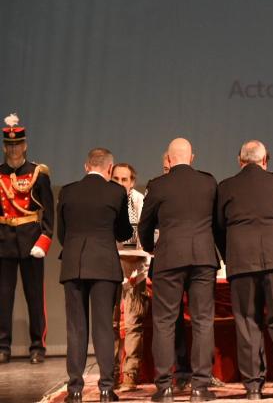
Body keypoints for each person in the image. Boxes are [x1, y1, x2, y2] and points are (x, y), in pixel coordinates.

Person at [215, 140, 273, 400]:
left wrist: (229, 255)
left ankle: (253, 386)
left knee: (247, 322)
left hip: (242, 262)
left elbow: (218, 226)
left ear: (239, 160)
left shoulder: (226, 186)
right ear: (265, 160)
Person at [139, 138, 220, 402]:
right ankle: (200, 388)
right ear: (192, 157)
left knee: (163, 322)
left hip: (169, 258)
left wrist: (152, 248)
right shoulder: (209, 182)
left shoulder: (158, 185)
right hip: (203, 258)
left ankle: (164, 388)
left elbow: (144, 225)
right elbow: (218, 223)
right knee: (202, 321)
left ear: (169, 159)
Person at [58, 148, 133, 402]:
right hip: (103, 264)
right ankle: (106, 388)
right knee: (103, 327)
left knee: (76, 328)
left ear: (85, 166)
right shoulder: (116, 191)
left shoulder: (67, 191)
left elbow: (62, 235)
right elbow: (123, 232)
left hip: (74, 264)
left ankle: (75, 389)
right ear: (110, 169)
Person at [0, 113, 54, 364]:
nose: (13, 149)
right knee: (3, 298)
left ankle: (37, 346)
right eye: (9, 145)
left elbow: (49, 216)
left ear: (25, 145)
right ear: (4, 146)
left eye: (17, 144)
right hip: (3, 241)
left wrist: (43, 242)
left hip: (31, 240)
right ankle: (3, 346)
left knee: (35, 296)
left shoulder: (37, 173)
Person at [110, 163, 149, 391]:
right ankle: (112, 372)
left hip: (135, 268)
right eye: (116, 178)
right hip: (112, 267)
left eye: (124, 179)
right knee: (112, 324)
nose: (120, 183)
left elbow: (147, 238)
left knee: (134, 324)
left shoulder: (140, 201)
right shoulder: (106, 200)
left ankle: (130, 375)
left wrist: (138, 273)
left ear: (132, 182)